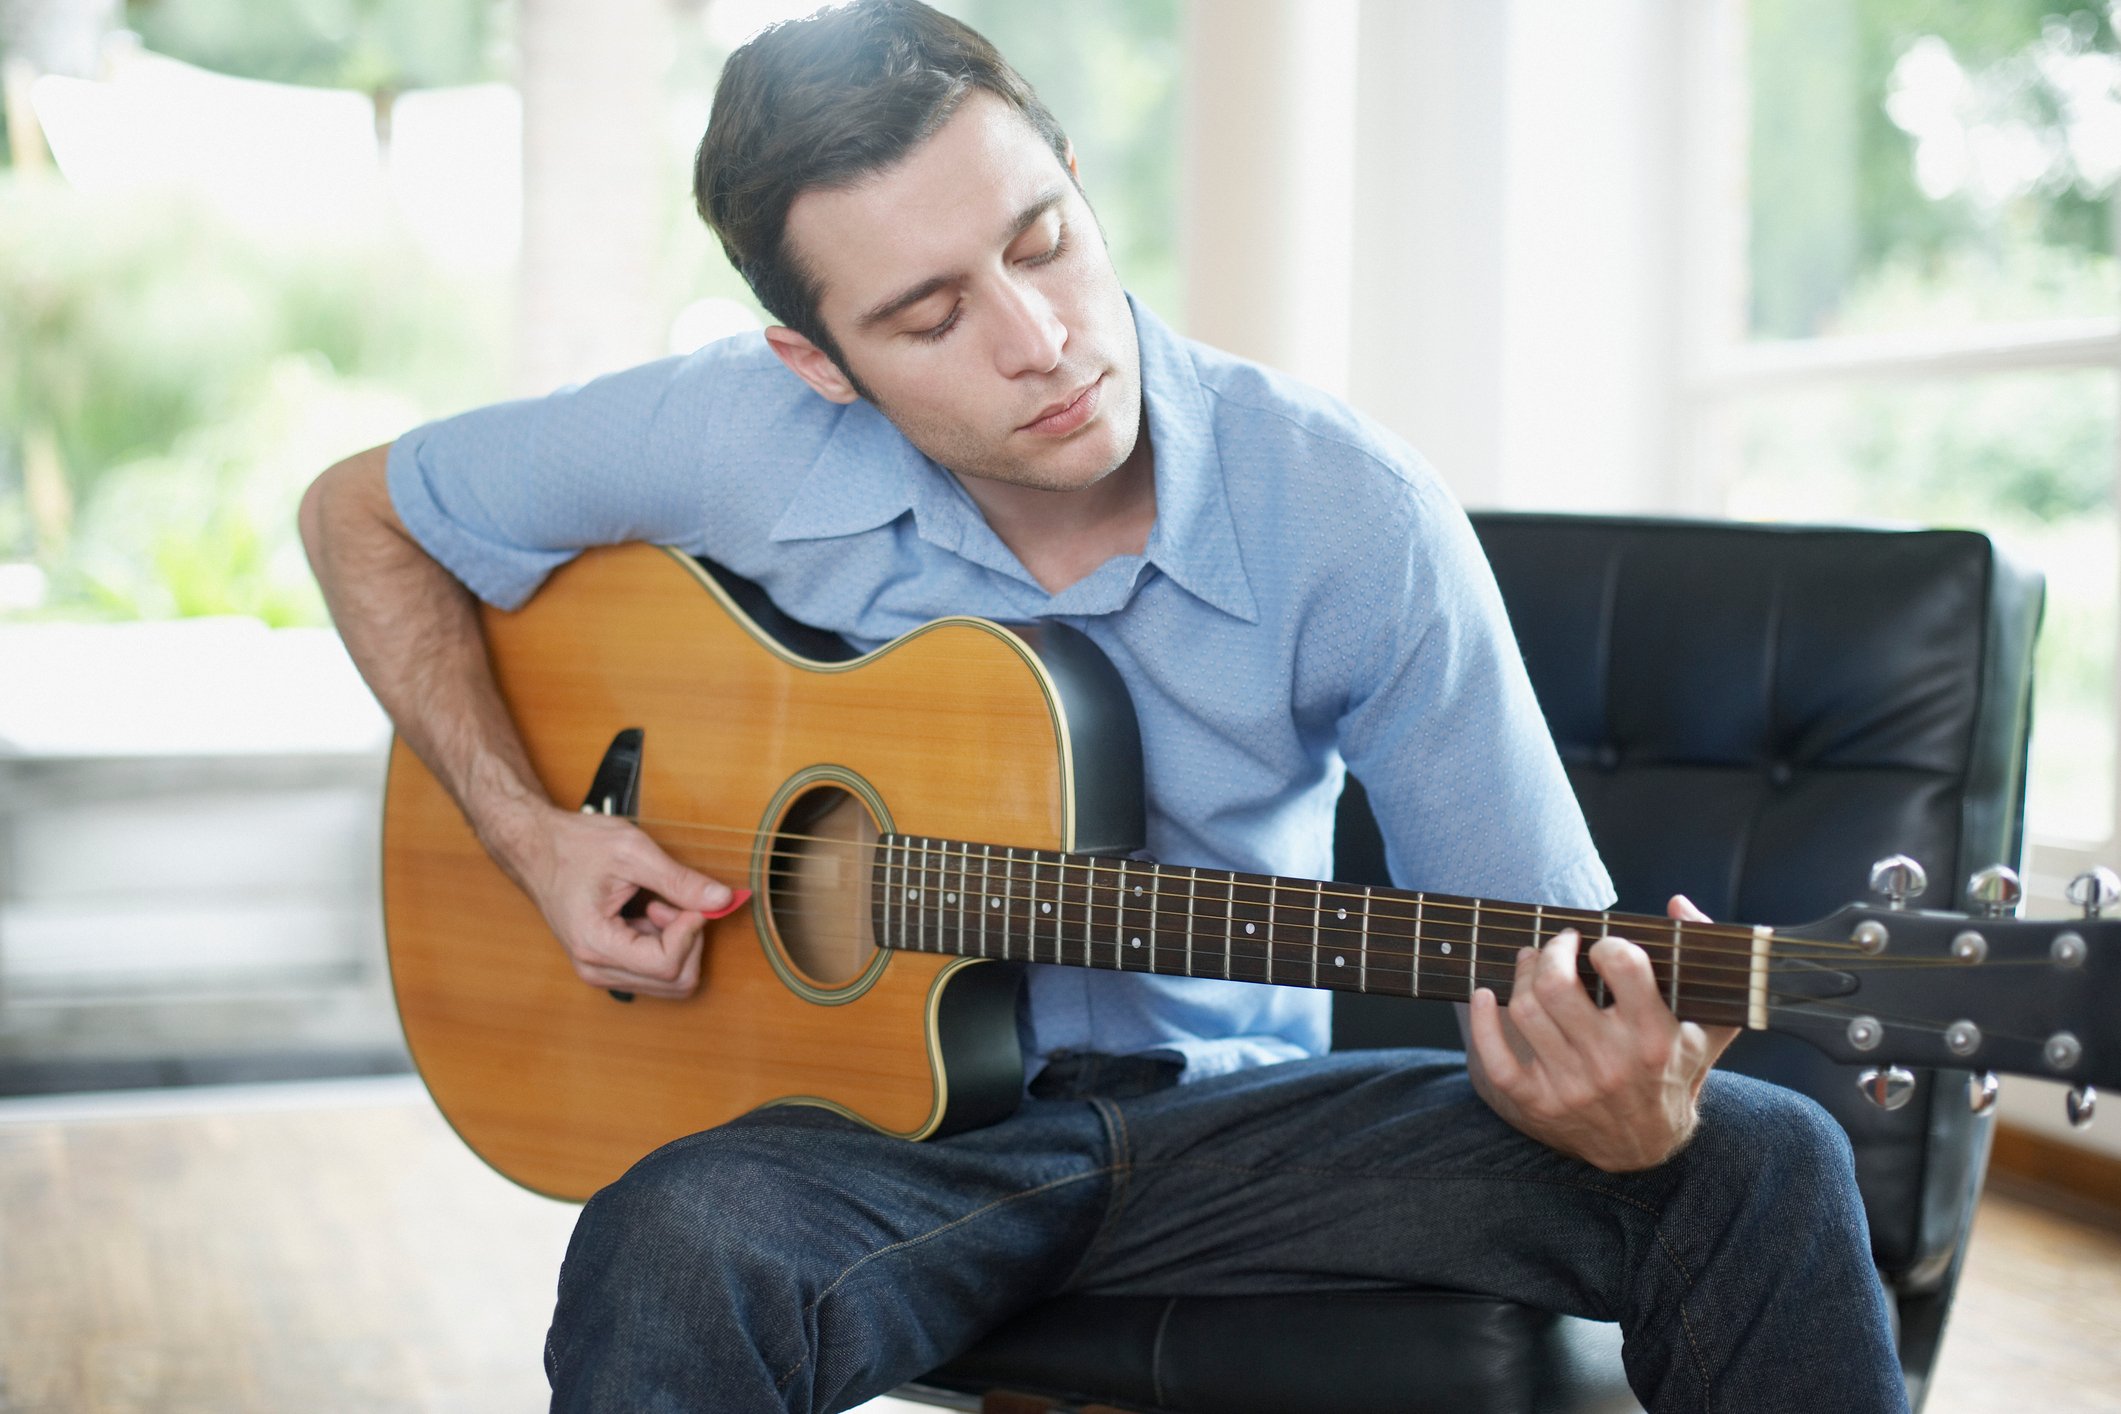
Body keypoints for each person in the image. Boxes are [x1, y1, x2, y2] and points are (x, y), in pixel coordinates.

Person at [299, 3, 1906, 1410]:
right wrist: (531, 836)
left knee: (1755, 1160)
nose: (1040, 340)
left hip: (1244, 1135)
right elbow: (359, 514)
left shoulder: (1347, 514)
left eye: (1043, 236)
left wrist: (1612, 1094)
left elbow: (1554, 951)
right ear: (817, 361)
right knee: (675, 1240)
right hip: (863, 1148)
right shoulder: (730, 432)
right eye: (929, 317)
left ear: (1073, 173)